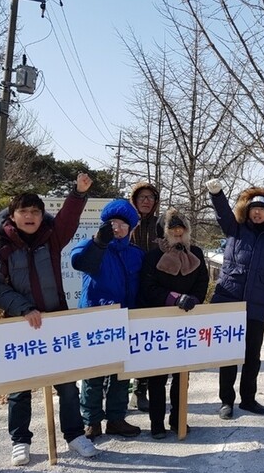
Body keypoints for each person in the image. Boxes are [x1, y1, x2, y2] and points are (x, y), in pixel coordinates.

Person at [0, 174, 100, 465]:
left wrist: (78, 193)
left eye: (35, 211)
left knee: (68, 386)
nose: (30, 217)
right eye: (24, 212)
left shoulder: (51, 238)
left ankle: (74, 435)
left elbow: (68, 219)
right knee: (19, 389)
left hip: (55, 322)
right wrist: (23, 309)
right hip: (20, 325)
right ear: (13, 216)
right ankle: (20, 440)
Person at [205, 179, 264, 419]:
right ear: (247, 211)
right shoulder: (236, 229)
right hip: (230, 301)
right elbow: (222, 214)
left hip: (257, 305)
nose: (258, 213)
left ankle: (248, 399)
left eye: (262, 209)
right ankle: (226, 401)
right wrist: (217, 194)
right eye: (254, 209)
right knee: (229, 355)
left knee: (252, 356)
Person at [71, 199, 144, 440]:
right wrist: (98, 243)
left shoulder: (136, 255)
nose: (117, 228)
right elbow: (78, 261)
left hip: (126, 320)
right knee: (93, 375)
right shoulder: (91, 246)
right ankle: (91, 421)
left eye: (124, 224)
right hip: (96, 321)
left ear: (131, 229)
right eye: (112, 223)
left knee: (121, 375)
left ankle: (116, 418)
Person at [137, 207, 209, 438]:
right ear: (164, 232)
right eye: (173, 229)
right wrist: (175, 298)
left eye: (181, 229)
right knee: (157, 377)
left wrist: (193, 300)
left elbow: (202, 283)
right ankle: (156, 422)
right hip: (159, 323)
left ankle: (178, 419)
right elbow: (148, 288)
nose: (178, 233)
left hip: (186, 323)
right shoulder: (152, 256)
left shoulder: (196, 253)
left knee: (182, 377)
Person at [128, 182, 161, 412]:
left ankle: (141, 389)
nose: (146, 201)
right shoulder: (125, 221)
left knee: (147, 342)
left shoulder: (161, 224)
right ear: (134, 199)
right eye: (142, 197)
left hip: (152, 289)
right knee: (125, 342)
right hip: (127, 287)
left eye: (151, 197)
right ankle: (120, 391)